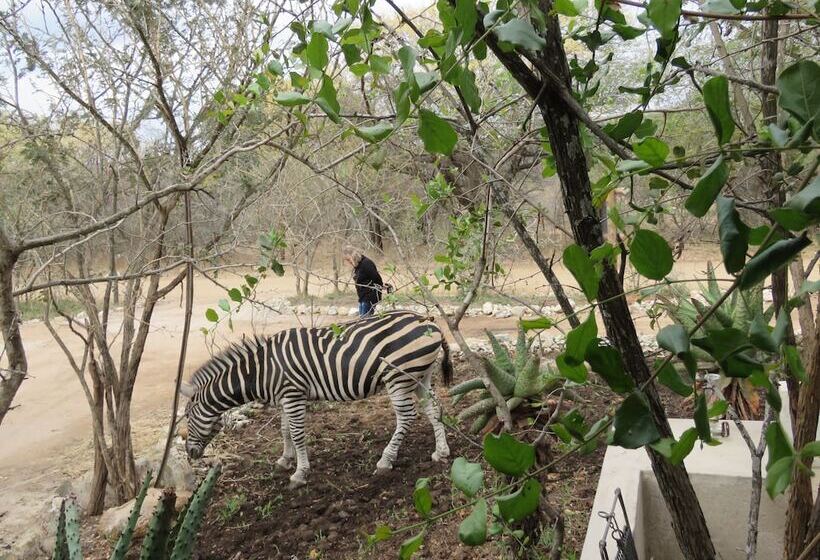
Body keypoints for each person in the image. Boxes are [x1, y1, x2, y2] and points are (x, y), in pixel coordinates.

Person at [343, 245, 383, 317]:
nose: (349, 262)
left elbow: (377, 279)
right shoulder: (357, 266)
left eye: (349, 260)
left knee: (365, 321)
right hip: (362, 297)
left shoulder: (366, 263)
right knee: (362, 320)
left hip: (369, 297)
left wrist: (378, 289)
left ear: (353, 256)